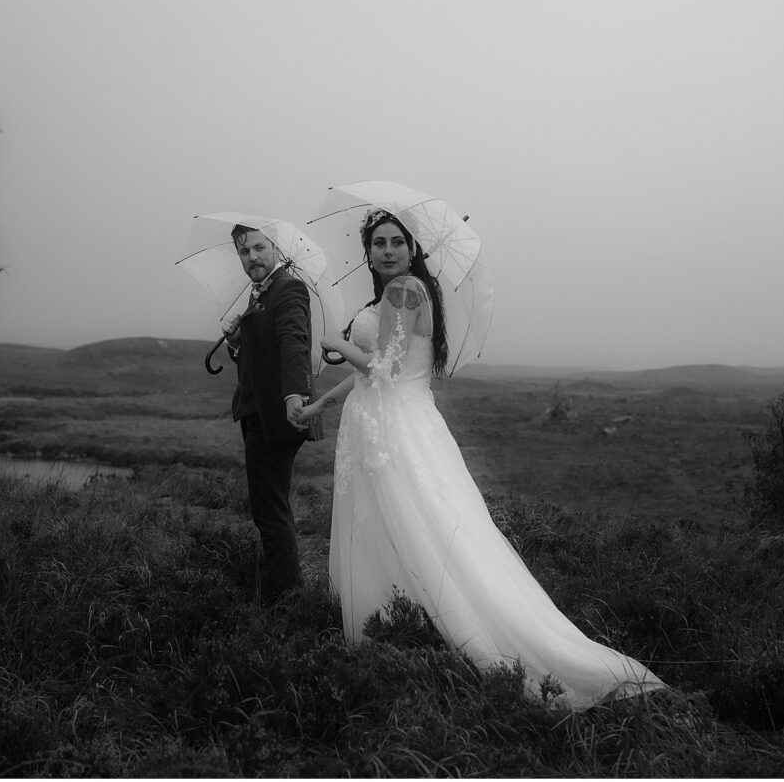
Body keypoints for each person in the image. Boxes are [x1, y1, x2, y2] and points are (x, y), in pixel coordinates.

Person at [295, 209, 666, 710]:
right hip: (383, 423)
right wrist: (322, 402)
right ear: (368, 252)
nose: (386, 250)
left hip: (396, 430)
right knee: (398, 526)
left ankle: (423, 636)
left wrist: (338, 343)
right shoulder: (399, 293)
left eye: (396, 242)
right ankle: (400, 631)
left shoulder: (403, 292)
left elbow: (383, 368)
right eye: (378, 243)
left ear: (412, 250)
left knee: (418, 526)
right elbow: (369, 376)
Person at [223, 224, 314, 604]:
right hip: (257, 411)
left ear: (275, 248)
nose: (252, 258)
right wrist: (235, 340)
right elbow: (259, 353)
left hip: (277, 415)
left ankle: (283, 601)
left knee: (271, 511)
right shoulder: (258, 292)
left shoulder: (288, 288)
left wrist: (295, 395)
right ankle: (280, 589)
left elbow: (293, 340)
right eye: (244, 252)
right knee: (267, 507)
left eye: (259, 248)